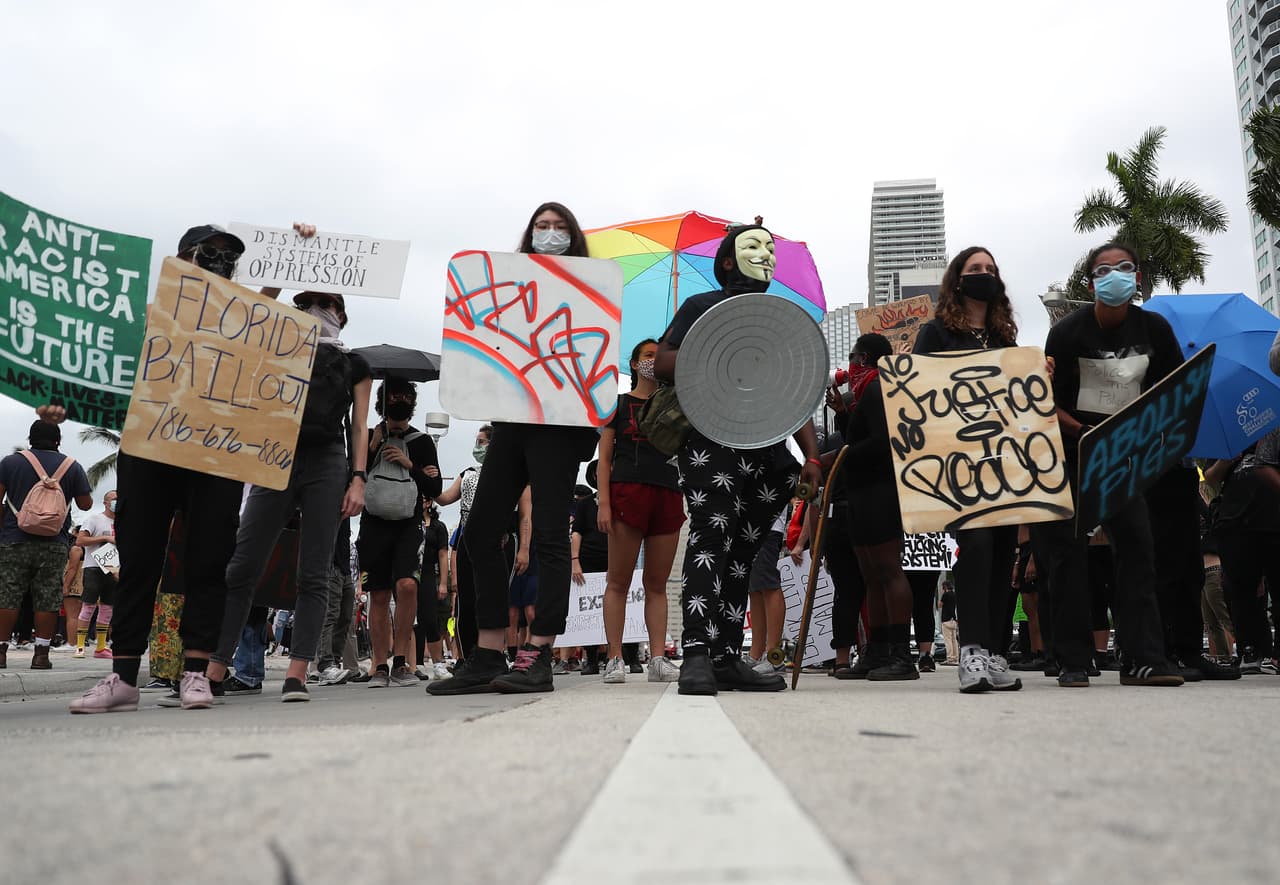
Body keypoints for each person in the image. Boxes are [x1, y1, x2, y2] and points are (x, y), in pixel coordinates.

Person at [72, 224, 258, 713]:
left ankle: (195, 674)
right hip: (151, 447)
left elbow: (274, 335)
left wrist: (295, 251)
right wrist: (56, 403)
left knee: (209, 560)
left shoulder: (242, 319)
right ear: (181, 260)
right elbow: (103, 365)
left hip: (216, 451)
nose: (216, 262)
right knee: (138, 560)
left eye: (225, 257)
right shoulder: (148, 313)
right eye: (207, 253)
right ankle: (124, 677)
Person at [428, 202, 600, 696]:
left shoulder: (589, 292)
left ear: (573, 236)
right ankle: (486, 652)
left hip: (559, 426)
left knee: (548, 536)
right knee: (479, 532)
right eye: (541, 227)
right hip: (513, 421)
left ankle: (539, 651)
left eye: (559, 227)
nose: (549, 233)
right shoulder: (511, 287)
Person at [653, 223, 823, 695]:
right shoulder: (701, 308)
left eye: (770, 247)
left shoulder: (780, 317)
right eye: (753, 245)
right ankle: (696, 653)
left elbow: (795, 394)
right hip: (712, 442)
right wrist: (716, 343)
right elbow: (655, 364)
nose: (765, 254)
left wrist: (811, 455)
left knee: (743, 552)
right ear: (727, 261)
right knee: (711, 537)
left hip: (766, 450)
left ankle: (726, 654)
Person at [204, 288, 372, 703]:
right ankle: (215, 667)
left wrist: (358, 479)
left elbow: (360, 426)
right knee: (243, 564)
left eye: (327, 304)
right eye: (307, 304)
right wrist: (275, 280)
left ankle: (297, 672)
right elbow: (244, 322)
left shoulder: (355, 364)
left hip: (327, 460)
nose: (316, 311)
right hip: (275, 455)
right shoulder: (276, 347)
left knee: (313, 571)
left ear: (341, 315)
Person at [1033, 242, 1185, 688]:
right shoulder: (1066, 334)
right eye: (1105, 270)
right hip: (1073, 455)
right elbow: (1046, 402)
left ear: (1137, 278)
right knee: (1067, 557)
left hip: (1126, 457)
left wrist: (1143, 443)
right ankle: (1074, 660)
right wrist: (1084, 434)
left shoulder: (1154, 330)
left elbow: (1172, 393)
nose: (1115, 275)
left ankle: (1144, 658)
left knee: (1138, 548)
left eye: (1124, 268)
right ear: (1091, 283)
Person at [912, 247, 1022, 693]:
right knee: (975, 546)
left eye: (991, 270)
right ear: (957, 280)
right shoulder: (935, 333)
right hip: (959, 466)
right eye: (975, 269)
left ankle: (995, 652)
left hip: (1007, 466)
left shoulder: (1005, 342)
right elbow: (916, 393)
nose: (984, 275)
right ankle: (972, 651)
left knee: (1001, 553)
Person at [594, 340, 686, 684]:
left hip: (667, 493)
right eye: (648, 355)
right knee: (617, 581)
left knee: (657, 584)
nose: (653, 361)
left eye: (658, 356)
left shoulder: (678, 400)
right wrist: (603, 502)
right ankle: (615, 657)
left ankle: (659, 657)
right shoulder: (617, 405)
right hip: (626, 493)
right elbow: (604, 459)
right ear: (634, 364)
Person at [356, 377, 443, 687]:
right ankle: (379, 665)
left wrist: (410, 464)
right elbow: (352, 476)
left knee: (407, 586)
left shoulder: (421, 442)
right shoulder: (367, 436)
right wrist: (374, 445)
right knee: (378, 594)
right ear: (383, 401)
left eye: (405, 395)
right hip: (373, 523)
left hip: (408, 523)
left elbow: (435, 487)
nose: (399, 399)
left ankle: (402, 661)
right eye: (394, 395)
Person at [0, 419, 92, 671]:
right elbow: (85, 504)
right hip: (54, 543)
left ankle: (1, 652)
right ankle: (41, 655)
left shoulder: (11, 462)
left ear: (30, 439)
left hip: (13, 539)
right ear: (58, 440)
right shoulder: (72, 467)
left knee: (8, 596)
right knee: (47, 598)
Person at [1205, 429, 1280, 674]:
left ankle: (1276, 655)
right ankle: (1249, 650)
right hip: (1235, 520)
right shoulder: (1231, 429)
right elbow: (1210, 478)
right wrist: (1227, 460)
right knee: (1240, 589)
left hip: (1274, 517)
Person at [75, 490, 118, 658]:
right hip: (93, 567)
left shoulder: (124, 522)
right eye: (114, 499)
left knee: (108, 607)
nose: (117, 502)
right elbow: (80, 541)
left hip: (114, 568)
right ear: (106, 502)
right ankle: (80, 646)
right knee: (88, 605)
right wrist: (104, 538)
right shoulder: (94, 519)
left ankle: (101, 647)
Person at [414, 505, 452, 681]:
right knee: (411, 622)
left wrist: (443, 583)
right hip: (409, 571)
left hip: (429, 573)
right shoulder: (410, 523)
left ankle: (438, 663)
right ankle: (413, 664)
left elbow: (443, 555)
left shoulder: (438, 527)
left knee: (429, 618)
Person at [939, 581, 958, 665]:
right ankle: (956, 657)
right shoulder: (954, 594)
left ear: (945, 587)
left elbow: (939, 605)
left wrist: (942, 595)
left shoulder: (945, 595)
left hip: (946, 620)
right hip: (953, 620)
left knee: (948, 640)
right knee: (954, 640)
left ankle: (950, 658)